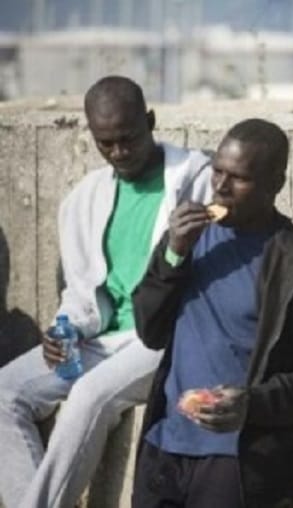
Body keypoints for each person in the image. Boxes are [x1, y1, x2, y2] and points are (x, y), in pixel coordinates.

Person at [0, 76, 211, 508]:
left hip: (161, 339)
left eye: (128, 139)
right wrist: (64, 329)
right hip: (98, 340)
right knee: (4, 392)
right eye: (105, 143)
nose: (118, 152)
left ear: (150, 121)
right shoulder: (85, 199)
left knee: (88, 396)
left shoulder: (197, 181)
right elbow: (81, 291)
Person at [130, 118, 293, 507]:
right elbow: (150, 330)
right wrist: (173, 256)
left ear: (275, 185)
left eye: (239, 178)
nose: (221, 187)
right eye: (217, 171)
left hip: (238, 459)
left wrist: (252, 404)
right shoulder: (186, 237)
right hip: (165, 444)